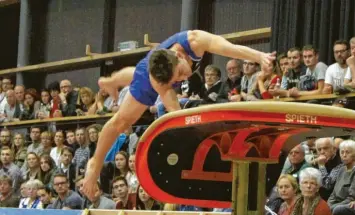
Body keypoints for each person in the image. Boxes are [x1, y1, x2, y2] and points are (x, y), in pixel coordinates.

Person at [83, 30, 276, 199]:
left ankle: (110, 81)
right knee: (122, 120)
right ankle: (95, 162)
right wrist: (185, 124)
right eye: (179, 79)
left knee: (138, 73)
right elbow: (172, 105)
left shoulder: (195, 40)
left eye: (182, 74)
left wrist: (260, 56)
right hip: (149, 76)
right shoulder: (158, 81)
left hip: (152, 66)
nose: (184, 78)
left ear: (179, 55)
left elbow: (228, 47)